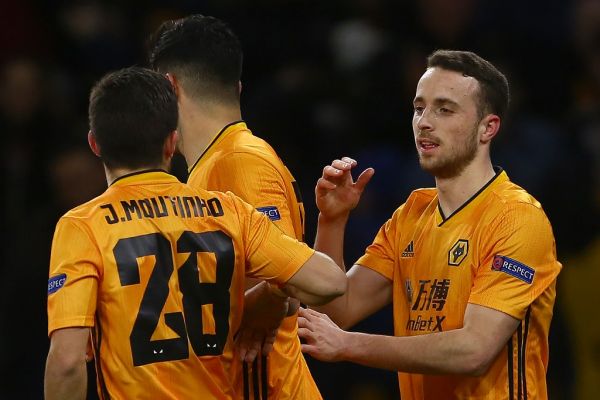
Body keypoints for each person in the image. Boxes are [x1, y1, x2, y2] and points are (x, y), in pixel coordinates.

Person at [44, 67, 346, 400]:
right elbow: (330, 281)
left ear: (95, 144)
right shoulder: (228, 211)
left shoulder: (83, 226)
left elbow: (69, 361)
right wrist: (275, 294)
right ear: (172, 142)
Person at [298, 50, 562, 399]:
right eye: (419, 107)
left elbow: (473, 350)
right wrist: (332, 221)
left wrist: (349, 345)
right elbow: (335, 311)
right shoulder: (412, 213)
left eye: (444, 109)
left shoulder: (517, 218)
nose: (424, 122)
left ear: (488, 128)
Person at [148, 15, 322, 400]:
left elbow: (289, 280)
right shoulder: (208, 168)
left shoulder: (239, 161)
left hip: (266, 388)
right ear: (237, 87)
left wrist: (274, 295)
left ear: (169, 86)